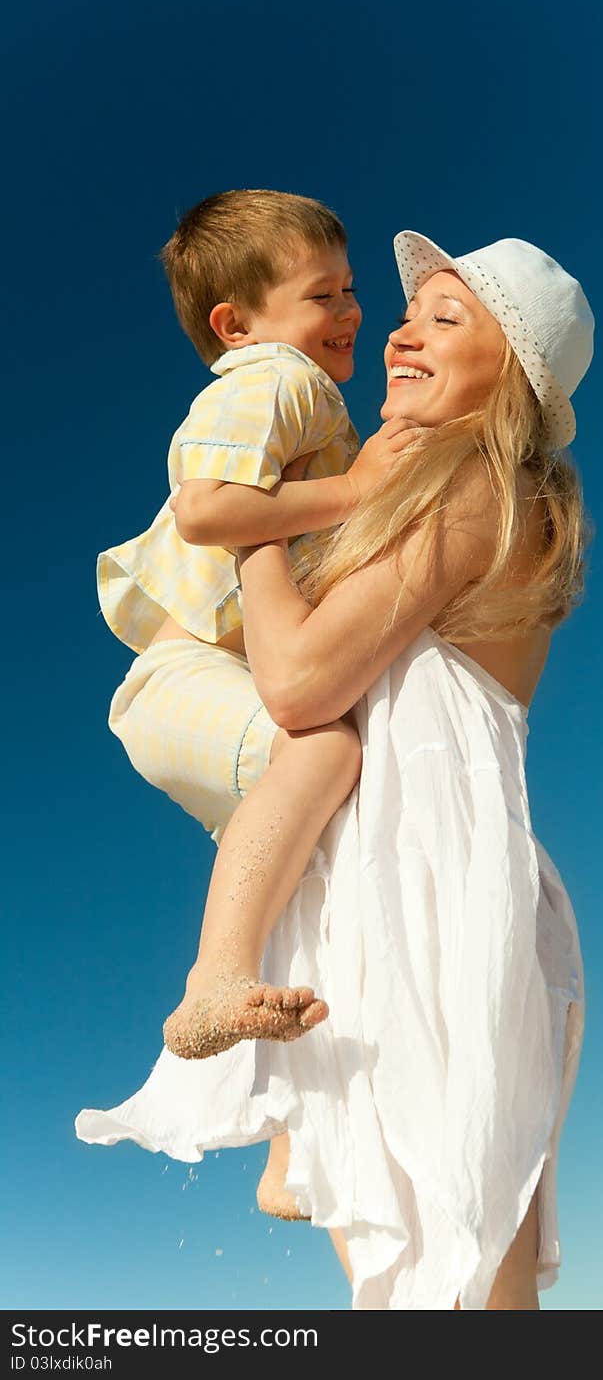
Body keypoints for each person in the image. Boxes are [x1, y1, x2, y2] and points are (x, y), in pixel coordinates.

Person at [77, 229, 595, 1310]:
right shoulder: (471, 492)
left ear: (517, 375)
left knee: (440, 1253)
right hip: (424, 870)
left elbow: (303, 681)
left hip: (432, 884)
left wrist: (253, 528)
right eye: (409, 312)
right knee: (455, 1249)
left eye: (445, 319)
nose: (402, 329)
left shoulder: (480, 485)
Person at [98, 189, 413, 1062]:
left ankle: (284, 1130)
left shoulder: (314, 404)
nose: (351, 311)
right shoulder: (276, 378)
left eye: (350, 289)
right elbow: (204, 508)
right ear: (237, 325)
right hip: (179, 679)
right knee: (328, 753)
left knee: (298, 870)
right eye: (323, 295)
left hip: (215, 684)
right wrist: (358, 490)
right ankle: (212, 984)